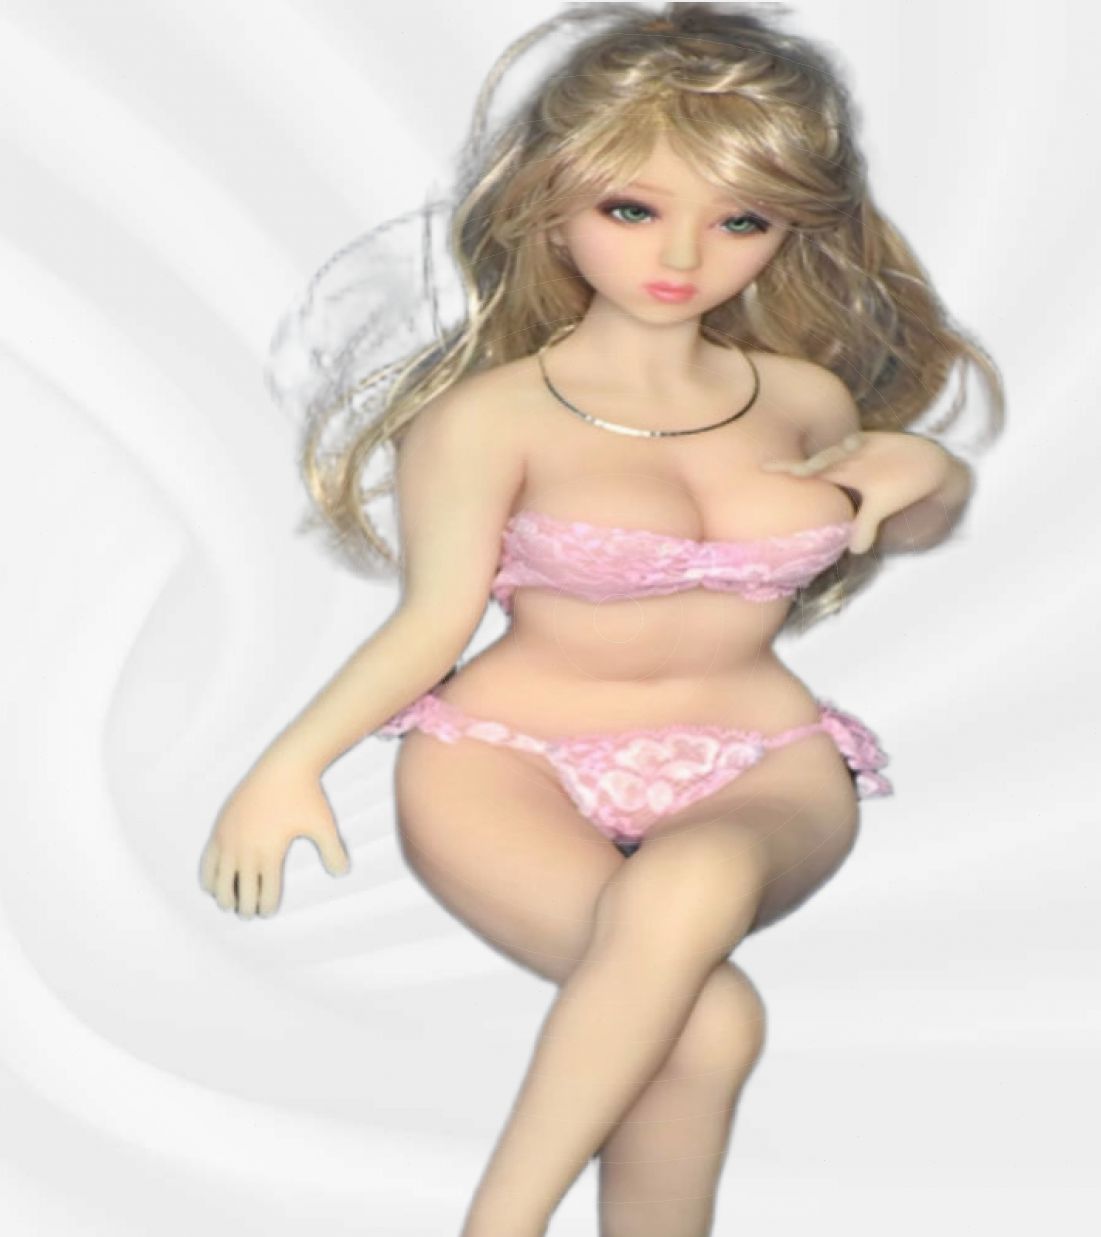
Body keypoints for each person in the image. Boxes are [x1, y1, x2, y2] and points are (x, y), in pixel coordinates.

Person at [200, 4, 1003, 1233]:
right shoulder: (486, 420)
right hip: (506, 760)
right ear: (550, 202)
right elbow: (432, 623)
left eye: (740, 220)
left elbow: (902, 520)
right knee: (709, 1021)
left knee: (697, 892)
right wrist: (285, 766)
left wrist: (930, 475)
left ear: (789, 229)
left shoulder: (802, 397)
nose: (682, 255)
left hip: (763, 756)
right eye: (632, 209)